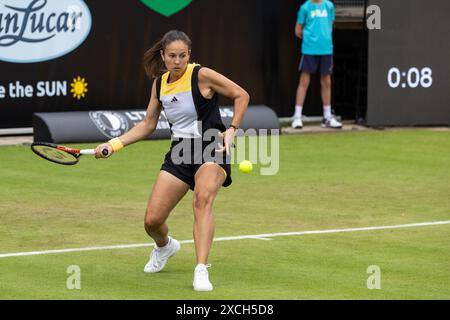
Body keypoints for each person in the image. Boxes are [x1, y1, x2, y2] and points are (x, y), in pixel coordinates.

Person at [94, 30, 249, 292]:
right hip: (180, 152)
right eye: (172, 56)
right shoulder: (159, 85)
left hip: (212, 146)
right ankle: (165, 247)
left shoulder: (202, 75)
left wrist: (233, 128)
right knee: (152, 221)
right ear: (163, 56)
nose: (178, 61)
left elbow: (241, 95)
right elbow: (147, 124)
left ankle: (201, 269)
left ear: (190, 56)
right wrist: (114, 144)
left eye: (183, 56)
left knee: (202, 200)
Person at [292, 0, 342, 129]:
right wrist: (311, 38)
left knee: (326, 82)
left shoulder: (329, 6)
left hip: (326, 49)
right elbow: (298, 30)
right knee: (304, 81)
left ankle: (327, 117)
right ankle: (297, 117)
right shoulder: (305, 8)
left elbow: (330, 25)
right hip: (309, 49)